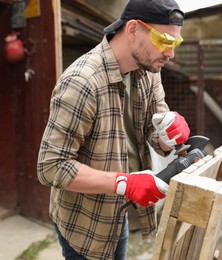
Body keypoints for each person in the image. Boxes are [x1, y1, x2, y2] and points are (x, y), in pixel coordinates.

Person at [37, 0, 189, 259]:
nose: (171, 53)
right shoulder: (83, 82)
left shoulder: (149, 71)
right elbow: (51, 167)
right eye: (164, 41)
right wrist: (124, 183)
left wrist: (168, 136)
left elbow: (154, 131)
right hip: (84, 222)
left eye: (175, 43)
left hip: (117, 211)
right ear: (132, 30)